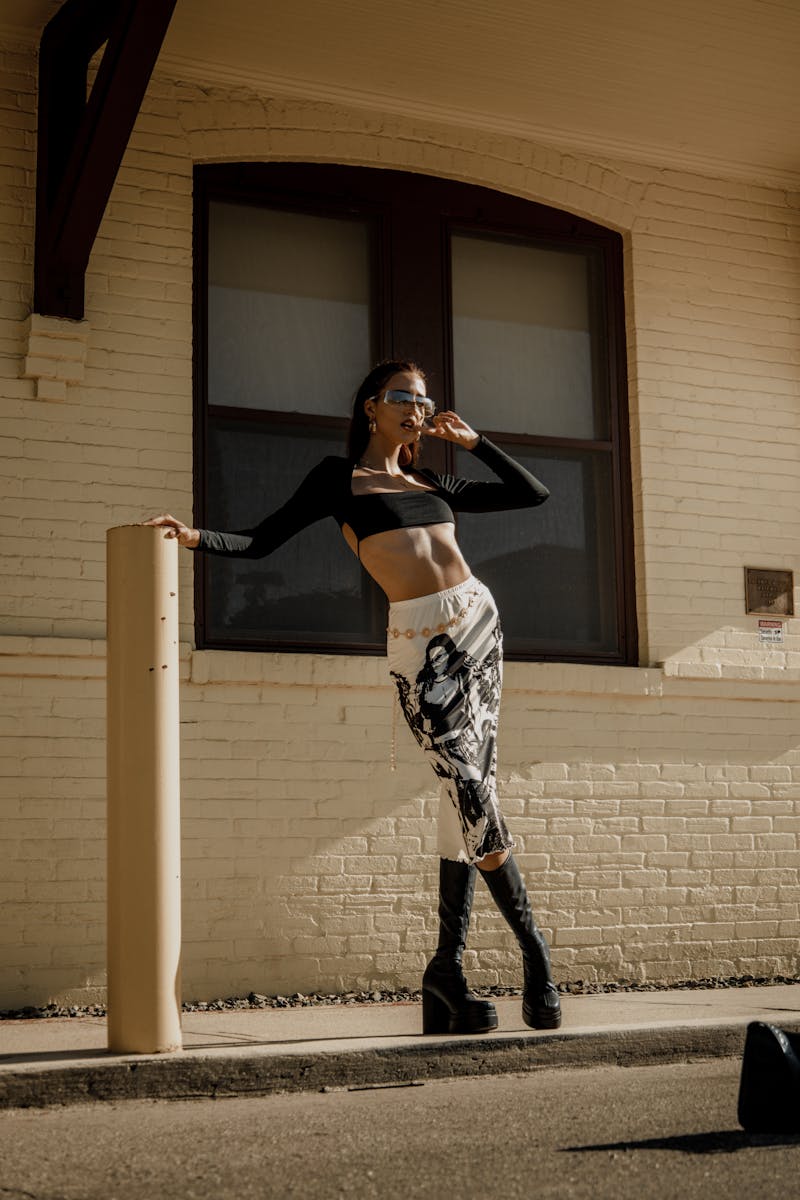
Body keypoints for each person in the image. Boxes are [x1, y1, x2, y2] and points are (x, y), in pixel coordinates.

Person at [145, 360, 561, 1035]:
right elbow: (262, 540)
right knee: (471, 791)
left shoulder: (431, 477)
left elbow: (534, 494)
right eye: (403, 397)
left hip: (477, 628)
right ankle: (536, 955)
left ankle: (445, 979)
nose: (417, 409)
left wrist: (477, 442)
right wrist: (194, 536)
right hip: (421, 648)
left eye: (424, 401)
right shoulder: (337, 481)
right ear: (371, 407)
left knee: (465, 794)